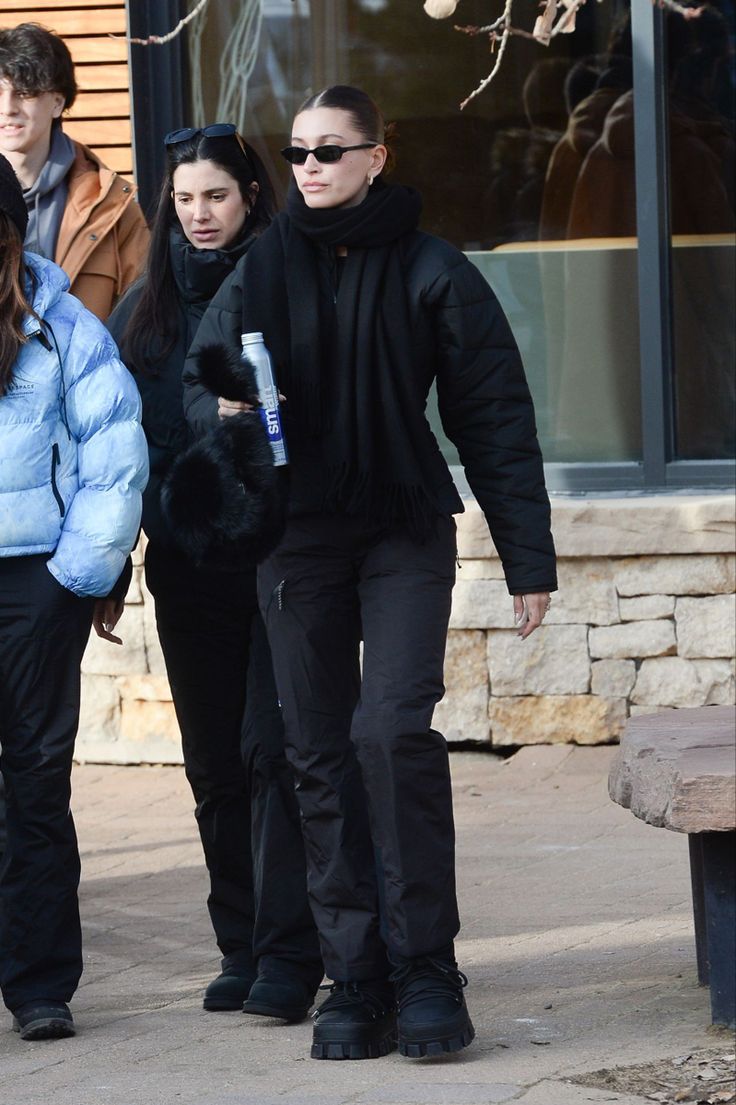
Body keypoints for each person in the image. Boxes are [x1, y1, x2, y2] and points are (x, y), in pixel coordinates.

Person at [183, 86, 557, 1062]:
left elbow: (494, 416)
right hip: (296, 536)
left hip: (400, 527)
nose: (307, 167)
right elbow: (203, 369)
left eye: (329, 151)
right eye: (298, 152)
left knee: (390, 734)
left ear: (375, 158)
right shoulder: (262, 264)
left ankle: (425, 967)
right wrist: (225, 414)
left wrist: (528, 556)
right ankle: (354, 975)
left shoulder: (433, 268)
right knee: (315, 752)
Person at [106, 125, 322, 1020]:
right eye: (184, 199)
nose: (200, 214)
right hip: (189, 567)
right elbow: (118, 453)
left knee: (274, 751)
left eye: (217, 196)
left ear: (251, 198)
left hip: (280, 559)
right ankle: (239, 940)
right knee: (212, 765)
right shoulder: (142, 316)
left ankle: (287, 947)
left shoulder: (290, 287)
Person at [0, 153, 147, 1041]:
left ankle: (40, 983)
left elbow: (114, 449)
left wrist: (76, 576)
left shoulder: (63, 324)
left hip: (33, 584)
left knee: (36, 786)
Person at [0, 22, 149, 321]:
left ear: (58, 102)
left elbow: (142, 320)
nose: (7, 107)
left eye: (25, 92)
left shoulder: (113, 210)